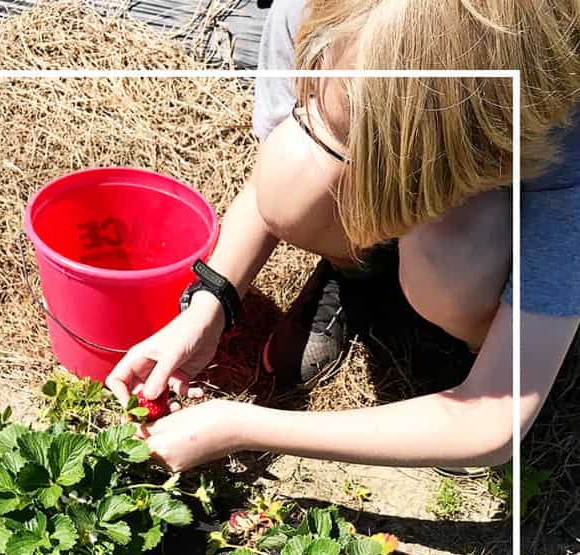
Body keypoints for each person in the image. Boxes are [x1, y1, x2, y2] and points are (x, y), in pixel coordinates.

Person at [106, 0, 580, 474]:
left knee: (457, 254)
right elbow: (272, 179)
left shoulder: (562, 144)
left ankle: (479, 342)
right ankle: (361, 274)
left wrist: (237, 426)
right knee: (295, 168)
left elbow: (490, 423)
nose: (353, 179)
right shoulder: (315, 13)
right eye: (338, 135)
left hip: (489, 222)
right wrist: (210, 305)